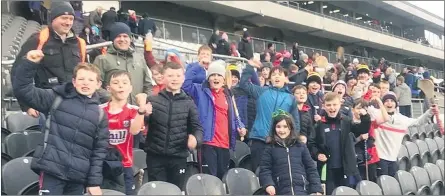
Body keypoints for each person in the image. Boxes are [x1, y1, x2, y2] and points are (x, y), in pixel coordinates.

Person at [13, 51, 108, 195]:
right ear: (74, 81)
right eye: (81, 79)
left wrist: (94, 182)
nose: (85, 83)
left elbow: (99, 151)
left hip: (78, 178)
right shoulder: (55, 98)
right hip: (52, 172)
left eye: (90, 80)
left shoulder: (100, 114)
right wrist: (29, 64)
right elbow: (23, 90)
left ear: (98, 84)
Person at [12, 1, 85, 127]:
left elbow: (85, 72)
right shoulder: (38, 40)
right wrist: (27, 105)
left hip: (75, 104)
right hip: (48, 106)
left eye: (71, 19)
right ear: (53, 19)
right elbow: (17, 72)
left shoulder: (80, 43)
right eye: (64, 18)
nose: (68, 22)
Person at [182, 60, 246, 179]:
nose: (215, 78)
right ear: (208, 78)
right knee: (209, 179)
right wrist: (198, 66)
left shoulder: (228, 94)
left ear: (223, 80)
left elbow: (235, 116)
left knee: (222, 179)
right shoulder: (199, 90)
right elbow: (185, 84)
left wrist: (241, 126)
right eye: (212, 75)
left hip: (224, 144)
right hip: (207, 142)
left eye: (219, 75)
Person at [144, 62, 203, 188]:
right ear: (163, 77)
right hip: (155, 157)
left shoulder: (189, 103)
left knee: (175, 190)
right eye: (170, 75)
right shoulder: (153, 100)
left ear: (183, 78)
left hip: (178, 157)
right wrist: (143, 114)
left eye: (178, 75)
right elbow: (142, 124)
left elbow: (197, 128)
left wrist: (196, 140)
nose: (174, 79)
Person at [239, 61, 300, 172]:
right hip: (259, 140)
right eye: (274, 75)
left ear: (285, 78)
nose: (276, 77)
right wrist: (249, 67)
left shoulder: (291, 99)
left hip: (280, 142)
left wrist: (292, 141)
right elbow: (243, 84)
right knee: (258, 173)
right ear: (269, 78)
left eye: (279, 74)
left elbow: (295, 123)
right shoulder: (261, 91)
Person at [100, 70, 151, 195]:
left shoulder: (134, 111)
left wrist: (141, 110)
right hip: (101, 164)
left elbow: (134, 131)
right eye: (116, 83)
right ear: (108, 88)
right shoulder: (100, 110)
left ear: (130, 88)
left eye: (124, 83)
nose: (121, 86)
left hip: (125, 165)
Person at [369, 92, 438, 177]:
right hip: (379, 157)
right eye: (386, 101)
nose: (389, 103)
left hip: (393, 158)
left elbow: (418, 121)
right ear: (383, 104)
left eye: (392, 101)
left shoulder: (401, 119)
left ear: (396, 105)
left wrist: (430, 111)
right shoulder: (377, 116)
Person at [259, 110, 323, 195]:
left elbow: (311, 168)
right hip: (280, 191)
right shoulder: (270, 148)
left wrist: (316, 188)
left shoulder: (301, 146)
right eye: (278, 126)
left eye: (285, 126)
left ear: (291, 127)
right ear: (274, 128)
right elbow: (265, 169)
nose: (282, 130)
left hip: (301, 191)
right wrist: (268, 184)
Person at [308, 92, 361, 195]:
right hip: (327, 169)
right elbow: (311, 144)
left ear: (340, 104)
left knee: (349, 192)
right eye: (328, 105)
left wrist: (365, 116)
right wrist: (318, 154)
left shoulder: (347, 121)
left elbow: (362, 129)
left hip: (348, 169)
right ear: (323, 106)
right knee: (329, 193)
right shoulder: (319, 125)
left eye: (334, 104)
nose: (331, 107)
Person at [94, 22, 153, 105]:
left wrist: (146, 100)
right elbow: (96, 86)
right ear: (113, 39)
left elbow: (148, 85)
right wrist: (114, 99)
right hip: (113, 111)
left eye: (125, 36)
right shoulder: (102, 59)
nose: (122, 39)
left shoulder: (139, 58)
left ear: (130, 39)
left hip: (137, 111)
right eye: (118, 36)